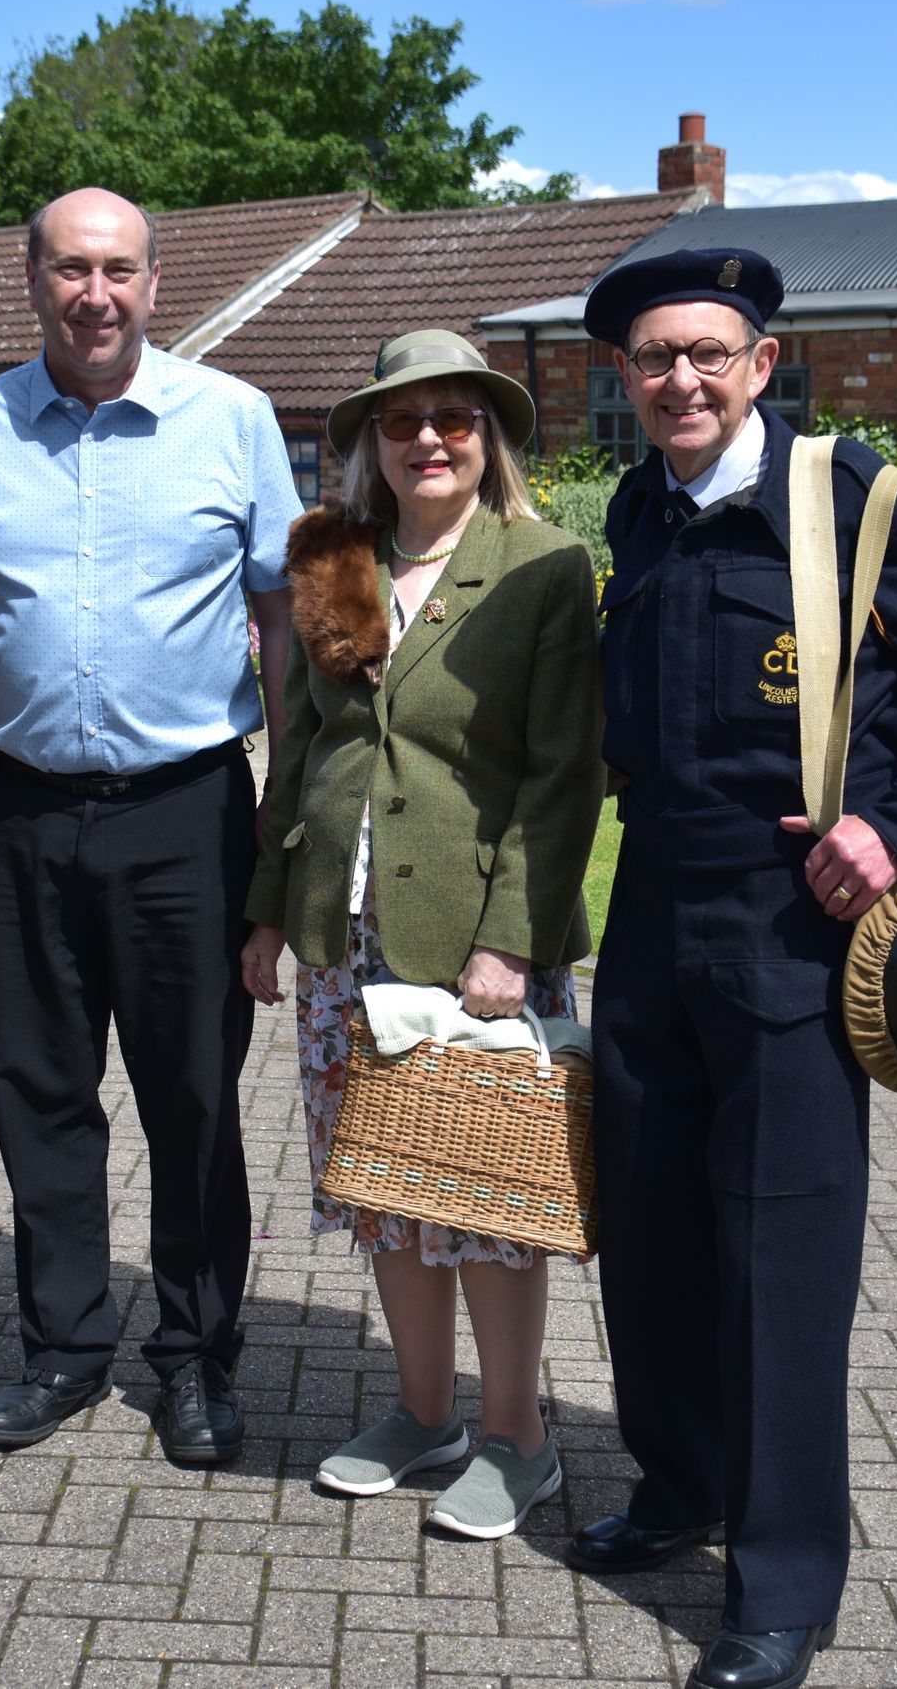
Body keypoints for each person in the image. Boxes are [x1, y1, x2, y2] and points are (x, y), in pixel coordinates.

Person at [570, 247, 897, 1689]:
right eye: (654, 357)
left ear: (761, 364)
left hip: (795, 923)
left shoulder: (857, 502)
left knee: (780, 1258)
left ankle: (784, 1582)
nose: (681, 379)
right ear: (627, 377)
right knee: (651, 1234)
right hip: (654, 915)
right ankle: (681, 1486)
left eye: (707, 353)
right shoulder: (642, 511)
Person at [0, 187, 300, 1466]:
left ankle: (197, 1354)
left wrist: (287, 809)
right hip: (22, 811)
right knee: (40, 1089)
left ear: (154, 281)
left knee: (192, 1096)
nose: (96, 294)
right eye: (72, 268)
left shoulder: (233, 420)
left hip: (188, 812)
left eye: (119, 269)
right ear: (32, 278)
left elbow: (283, 618)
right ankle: (63, 1348)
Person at [241, 330, 605, 1539]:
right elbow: (300, 744)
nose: (430, 440)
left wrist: (513, 940)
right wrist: (267, 910)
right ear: (372, 443)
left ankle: (517, 1436)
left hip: (475, 942)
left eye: (456, 418)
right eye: (403, 421)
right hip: (343, 938)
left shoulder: (542, 567)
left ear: (488, 437)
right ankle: (424, 1410)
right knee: (385, 1186)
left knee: (489, 1190)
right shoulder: (332, 559)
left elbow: (562, 775)